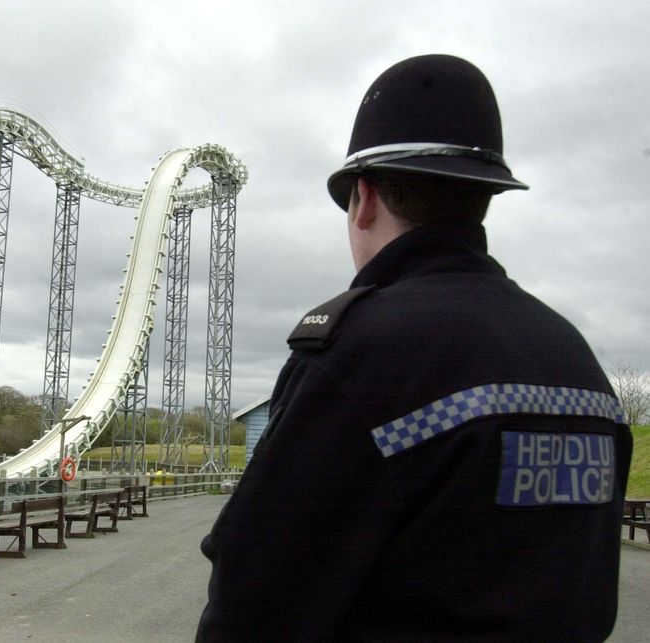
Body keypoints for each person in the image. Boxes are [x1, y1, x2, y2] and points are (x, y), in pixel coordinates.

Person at [196, 54, 633, 642]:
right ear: (483, 198)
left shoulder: (358, 353)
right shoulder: (574, 357)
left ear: (365, 199)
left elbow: (255, 597)